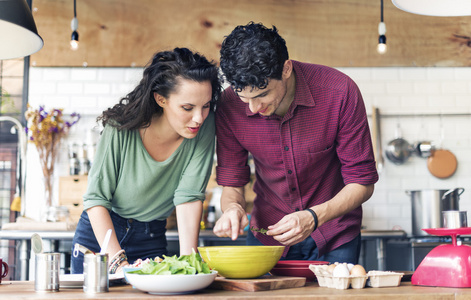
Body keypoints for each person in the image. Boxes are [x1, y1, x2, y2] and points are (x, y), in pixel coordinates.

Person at [213, 22, 378, 264]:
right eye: (243, 97)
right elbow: (232, 184)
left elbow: (362, 183)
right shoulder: (228, 106)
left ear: (286, 69)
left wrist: (314, 216)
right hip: (267, 236)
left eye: (262, 95)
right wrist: (233, 209)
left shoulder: (339, 91)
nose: (253, 108)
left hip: (335, 234)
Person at [71, 47, 222, 274]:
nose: (199, 117)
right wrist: (118, 263)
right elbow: (96, 199)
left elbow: (189, 196)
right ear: (161, 99)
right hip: (101, 238)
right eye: (187, 108)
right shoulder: (121, 128)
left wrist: (190, 264)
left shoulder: (204, 126)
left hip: (151, 238)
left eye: (206, 105)